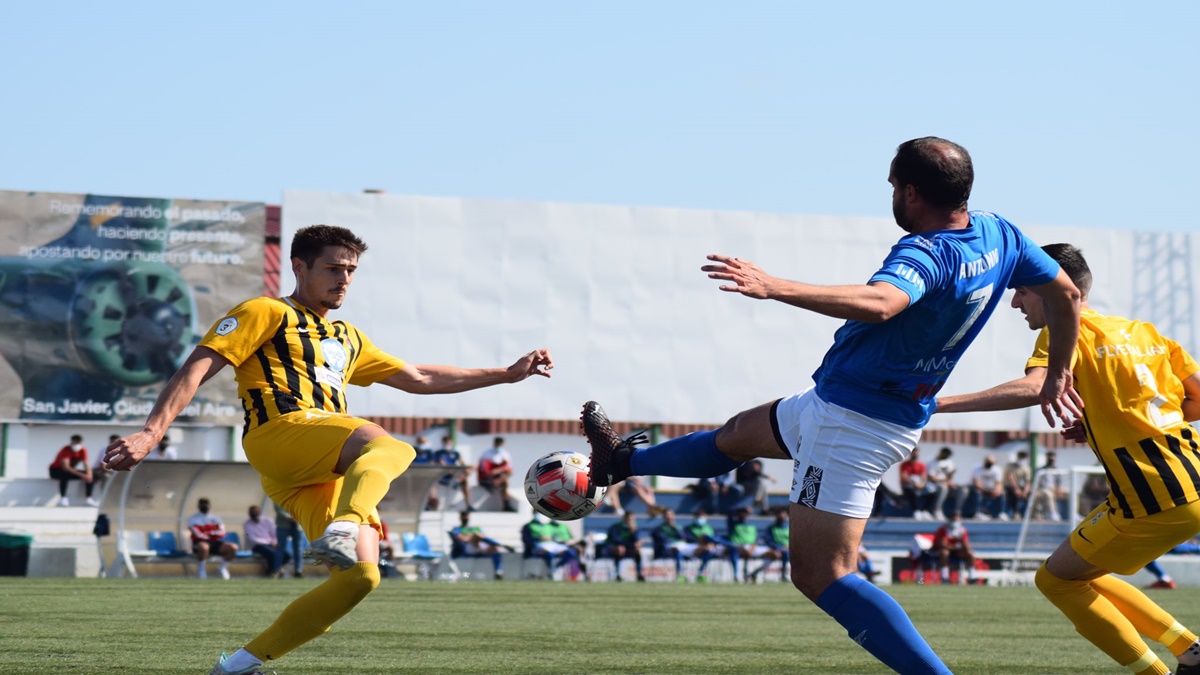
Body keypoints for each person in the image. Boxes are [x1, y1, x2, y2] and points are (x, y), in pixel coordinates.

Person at [578, 137, 1083, 674]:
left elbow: (883, 303)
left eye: (892, 185)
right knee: (736, 435)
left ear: (912, 192)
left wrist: (774, 286)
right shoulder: (999, 233)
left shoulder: (928, 251)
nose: (890, 194)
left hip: (852, 424)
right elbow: (1066, 294)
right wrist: (1058, 372)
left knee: (824, 574)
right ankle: (621, 462)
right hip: (843, 405)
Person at [101, 225, 554, 675]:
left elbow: (420, 379)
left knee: (361, 577)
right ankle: (344, 524)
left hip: (314, 466)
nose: (344, 279)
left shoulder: (347, 337)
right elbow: (198, 365)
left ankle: (239, 666)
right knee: (390, 446)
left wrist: (506, 373)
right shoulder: (265, 311)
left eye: (351, 270)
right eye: (333, 268)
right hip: (278, 432)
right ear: (299, 267)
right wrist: (151, 432)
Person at [936, 242, 1200, 675]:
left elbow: (1035, 387)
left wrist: (935, 404)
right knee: (1077, 573)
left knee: (1055, 580)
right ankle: (1190, 649)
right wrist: (1107, 422)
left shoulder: (1063, 332)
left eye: (1021, 289)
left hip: (1153, 499)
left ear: (1050, 286)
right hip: (1190, 480)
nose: (1015, 301)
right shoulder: (1144, 332)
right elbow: (1196, 399)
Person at [651, 508, 715, 583]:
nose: (669, 517)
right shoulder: (659, 529)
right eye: (667, 515)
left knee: (708, 550)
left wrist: (674, 527)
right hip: (669, 548)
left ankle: (700, 574)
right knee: (677, 550)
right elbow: (663, 540)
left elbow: (684, 538)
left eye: (671, 514)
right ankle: (680, 575)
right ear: (663, 517)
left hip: (685, 546)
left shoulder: (679, 527)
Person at [449, 510, 508, 579]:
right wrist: (472, 536)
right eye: (464, 516)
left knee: (494, 548)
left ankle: (498, 571)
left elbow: (483, 537)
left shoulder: (475, 528)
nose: (465, 518)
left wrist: (471, 536)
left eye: (467, 516)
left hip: (479, 546)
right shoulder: (457, 529)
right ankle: (500, 544)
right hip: (467, 548)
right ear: (460, 518)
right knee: (476, 535)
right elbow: (462, 539)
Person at [189, 497, 238, 580]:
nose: (205, 506)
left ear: (209, 505)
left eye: (206, 504)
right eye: (202, 504)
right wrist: (212, 534)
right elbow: (197, 534)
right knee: (204, 547)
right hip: (200, 542)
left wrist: (208, 533)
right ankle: (201, 569)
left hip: (215, 542)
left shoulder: (215, 518)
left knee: (233, 547)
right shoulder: (193, 519)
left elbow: (222, 532)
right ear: (199, 506)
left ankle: (222, 567)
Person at [523, 513, 582, 580]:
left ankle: (556, 568)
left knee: (571, 553)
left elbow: (563, 538)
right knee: (550, 554)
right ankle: (551, 571)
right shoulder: (533, 526)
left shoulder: (558, 526)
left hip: (555, 545)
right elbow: (529, 540)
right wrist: (541, 539)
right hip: (542, 545)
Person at [48, 433, 97, 506]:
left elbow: (85, 464)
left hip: (70, 471)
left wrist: (89, 474)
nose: (75, 444)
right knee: (64, 475)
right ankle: (63, 497)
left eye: (77, 442)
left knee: (92, 475)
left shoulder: (82, 450)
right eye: (74, 442)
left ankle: (88, 497)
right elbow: (66, 467)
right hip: (56, 470)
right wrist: (82, 475)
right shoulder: (66, 450)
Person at [929, 512, 977, 585]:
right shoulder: (943, 529)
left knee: (970, 554)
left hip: (956, 551)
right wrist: (956, 547)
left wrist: (963, 548)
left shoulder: (962, 530)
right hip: (939, 550)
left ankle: (972, 577)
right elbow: (943, 544)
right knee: (944, 553)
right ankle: (944, 577)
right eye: (954, 520)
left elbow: (965, 544)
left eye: (957, 520)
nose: (955, 522)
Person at [245, 504, 289, 578]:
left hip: (271, 544)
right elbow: (253, 539)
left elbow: (274, 534)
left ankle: (274, 570)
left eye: (256, 511)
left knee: (287, 555)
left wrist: (274, 542)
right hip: (257, 546)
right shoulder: (247, 525)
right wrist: (269, 542)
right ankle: (275, 571)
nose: (255, 514)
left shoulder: (268, 521)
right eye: (253, 512)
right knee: (273, 553)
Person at [430, 435, 472, 511]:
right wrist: (454, 473)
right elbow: (443, 465)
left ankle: (469, 505)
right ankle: (431, 505)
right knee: (434, 484)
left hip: (454, 476)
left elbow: (463, 463)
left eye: (449, 442)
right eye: (446, 442)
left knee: (465, 482)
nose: (447, 444)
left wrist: (467, 470)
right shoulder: (438, 453)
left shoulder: (455, 453)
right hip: (442, 476)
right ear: (443, 443)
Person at [475, 436, 518, 512]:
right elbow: (484, 469)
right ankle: (506, 502)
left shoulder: (505, 453)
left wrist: (499, 470)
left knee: (506, 481)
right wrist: (494, 472)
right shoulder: (487, 454)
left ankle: (506, 503)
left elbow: (509, 467)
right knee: (504, 482)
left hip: (498, 477)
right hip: (488, 477)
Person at [604, 510, 646, 582]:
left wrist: (633, 533)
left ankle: (639, 574)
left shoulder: (635, 528)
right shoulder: (616, 527)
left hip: (628, 548)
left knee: (637, 550)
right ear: (624, 519)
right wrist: (630, 544)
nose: (630, 521)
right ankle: (617, 574)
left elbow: (636, 539)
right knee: (620, 549)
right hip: (613, 548)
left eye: (632, 519)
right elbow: (616, 540)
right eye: (629, 519)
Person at [1031, 450, 1068, 521]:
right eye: (1050, 456)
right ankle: (1053, 513)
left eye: (1053, 456)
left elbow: (1060, 482)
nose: (1051, 458)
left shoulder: (1057, 470)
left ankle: (1073, 513)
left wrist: (1060, 489)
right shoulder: (1040, 470)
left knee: (1072, 493)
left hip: (1055, 489)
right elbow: (1036, 483)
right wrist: (1037, 491)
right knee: (1048, 494)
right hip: (1044, 489)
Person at [273, 501, 305, 579]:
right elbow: (278, 509)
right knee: (280, 548)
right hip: (283, 525)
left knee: (298, 549)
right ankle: (278, 570)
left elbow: (303, 507)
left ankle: (298, 571)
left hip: (297, 525)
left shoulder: (299, 494)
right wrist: (290, 518)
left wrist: (297, 517)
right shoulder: (279, 495)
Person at [899, 446, 933, 519]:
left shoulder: (921, 465)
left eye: (917, 453)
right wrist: (914, 483)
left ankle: (924, 510)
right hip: (909, 485)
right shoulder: (905, 464)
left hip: (918, 484)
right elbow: (904, 476)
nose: (915, 454)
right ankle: (916, 511)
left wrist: (922, 484)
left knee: (932, 492)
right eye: (914, 452)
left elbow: (923, 477)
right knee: (910, 491)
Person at [925, 446, 958, 519]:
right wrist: (944, 480)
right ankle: (937, 510)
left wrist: (948, 481)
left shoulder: (949, 462)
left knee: (961, 490)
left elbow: (949, 476)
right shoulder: (932, 462)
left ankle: (956, 513)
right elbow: (931, 478)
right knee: (943, 487)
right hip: (932, 485)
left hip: (944, 483)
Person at [969, 454, 1005, 520]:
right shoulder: (977, 468)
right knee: (977, 492)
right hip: (981, 488)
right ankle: (977, 513)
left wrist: (997, 490)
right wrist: (986, 490)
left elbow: (999, 483)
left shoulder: (997, 469)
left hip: (991, 488)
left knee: (1002, 493)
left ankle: (1001, 513)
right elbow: (976, 483)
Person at [1002, 450, 1032, 520]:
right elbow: (1010, 478)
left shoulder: (1026, 468)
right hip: (1011, 487)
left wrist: (1026, 491)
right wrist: (1016, 489)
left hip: (1021, 488)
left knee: (1029, 495)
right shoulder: (1010, 466)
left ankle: (1025, 514)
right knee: (1013, 494)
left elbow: (1028, 481)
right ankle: (1012, 513)